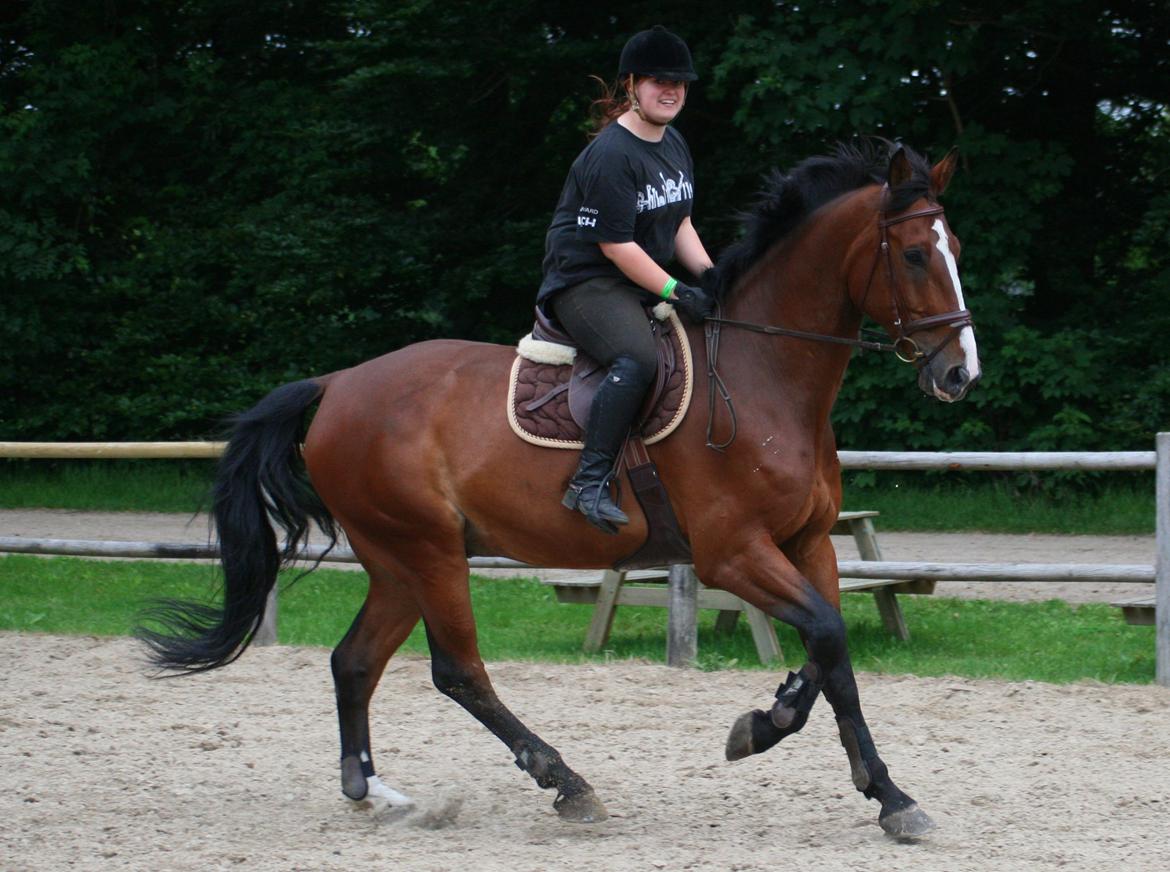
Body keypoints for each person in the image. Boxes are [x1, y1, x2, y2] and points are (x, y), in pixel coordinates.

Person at [536, 25, 716, 534]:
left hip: (637, 277)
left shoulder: (674, 141)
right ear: (632, 83)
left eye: (680, 82)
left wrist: (711, 277)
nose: (672, 91)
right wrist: (675, 290)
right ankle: (588, 482)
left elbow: (679, 222)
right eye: (659, 81)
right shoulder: (611, 156)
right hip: (586, 282)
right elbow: (615, 246)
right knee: (635, 358)